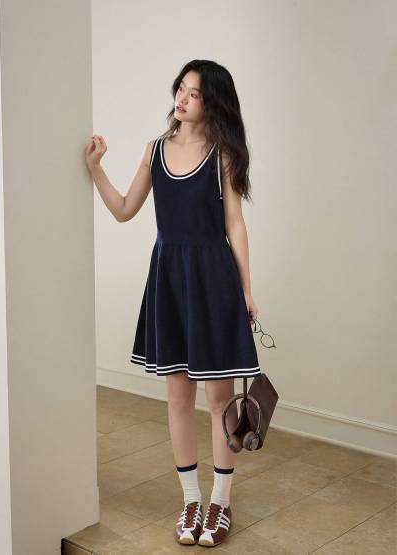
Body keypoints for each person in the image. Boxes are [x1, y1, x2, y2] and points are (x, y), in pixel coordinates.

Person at [85, 59, 262, 548]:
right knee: (179, 398)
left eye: (194, 93)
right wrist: (96, 169)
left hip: (213, 280)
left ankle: (220, 504)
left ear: (213, 102)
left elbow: (235, 223)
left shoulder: (223, 155)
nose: (181, 98)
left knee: (219, 401)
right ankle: (190, 501)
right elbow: (124, 209)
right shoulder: (156, 150)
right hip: (169, 280)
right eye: (180, 89)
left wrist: (247, 289)